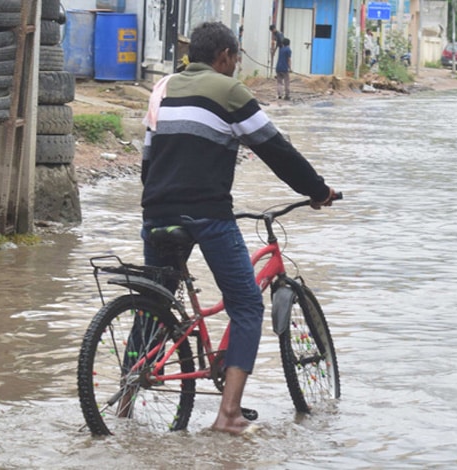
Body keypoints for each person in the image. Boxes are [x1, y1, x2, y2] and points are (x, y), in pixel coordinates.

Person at [140, 21, 337, 435]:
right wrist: (317, 191)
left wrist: (160, 201)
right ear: (226, 56)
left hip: (156, 210)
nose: (235, 67)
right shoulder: (229, 91)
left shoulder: (163, 88)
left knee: (154, 305)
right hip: (206, 214)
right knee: (246, 306)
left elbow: (147, 157)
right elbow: (275, 149)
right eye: (235, 59)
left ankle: (124, 399)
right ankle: (228, 415)